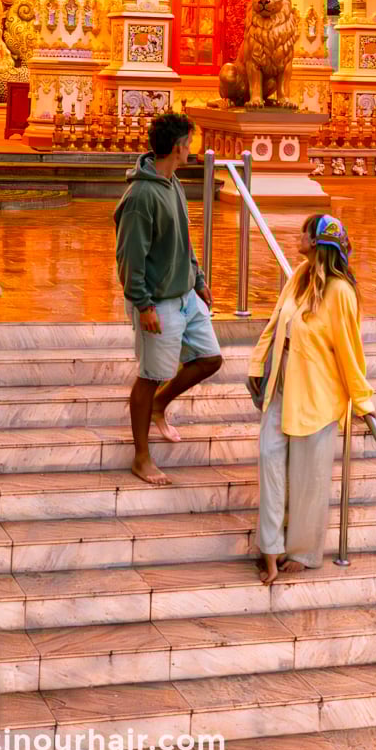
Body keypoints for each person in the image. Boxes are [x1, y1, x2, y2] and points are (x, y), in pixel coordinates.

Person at [248, 213, 374, 585]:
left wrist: (362, 401)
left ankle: (302, 551)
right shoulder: (299, 276)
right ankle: (270, 549)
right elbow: (275, 324)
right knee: (270, 464)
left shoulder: (341, 293)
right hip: (281, 388)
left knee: (308, 479)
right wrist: (257, 363)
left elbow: (350, 352)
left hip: (317, 396)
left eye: (305, 231)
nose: (298, 236)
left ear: (318, 241)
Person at [113, 111, 222, 485]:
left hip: (184, 295)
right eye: (189, 144)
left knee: (210, 358)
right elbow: (129, 256)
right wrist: (143, 305)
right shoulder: (142, 195)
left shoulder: (171, 181)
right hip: (157, 301)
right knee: (149, 376)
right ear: (177, 148)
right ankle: (141, 457)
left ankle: (162, 403)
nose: (192, 150)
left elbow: (184, 238)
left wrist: (198, 277)